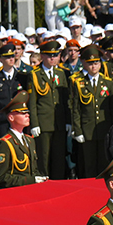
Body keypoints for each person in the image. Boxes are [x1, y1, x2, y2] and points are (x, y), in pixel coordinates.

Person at [71, 45, 113, 178]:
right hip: (88, 130)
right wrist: (78, 130)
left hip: (104, 129)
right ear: (85, 64)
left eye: (96, 63)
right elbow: (76, 109)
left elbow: (112, 109)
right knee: (89, 165)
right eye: (90, 63)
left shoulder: (108, 83)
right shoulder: (79, 83)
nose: (93, 66)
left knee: (104, 163)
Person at [28, 40, 70, 180]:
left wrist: (68, 121)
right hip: (43, 122)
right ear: (42, 56)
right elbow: (32, 102)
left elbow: (65, 100)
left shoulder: (61, 73)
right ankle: (44, 183)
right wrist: (34, 123)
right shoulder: (34, 74)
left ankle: (58, 184)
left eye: (55, 55)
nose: (53, 58)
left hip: (59, 122)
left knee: (58, 156)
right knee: (43, 157)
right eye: (49, 55)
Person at [0, 90, 46, 189]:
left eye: (27, 112)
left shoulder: (30, 140)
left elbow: (34, 169)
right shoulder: (5, 143)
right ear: (11, 117)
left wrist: (39, 179)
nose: (27, 115)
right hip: (14, 193)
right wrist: (30, 180)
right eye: (22, 113)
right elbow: (0, 177)